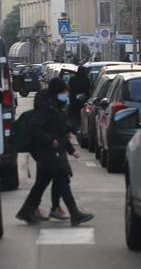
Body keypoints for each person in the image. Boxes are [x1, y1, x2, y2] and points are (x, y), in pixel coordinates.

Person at [16, 78, 95, 226]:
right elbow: (35, 126)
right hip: (50, 153)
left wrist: (71, 150)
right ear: (57, 91)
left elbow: (61, 131)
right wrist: (50, 140)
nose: (65, 94)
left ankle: (27, 210)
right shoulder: (48, 108)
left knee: (41, 184)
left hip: (52, 153)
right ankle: (74, 213)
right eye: (63, 91)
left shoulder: (57, 107)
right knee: (62, 180)